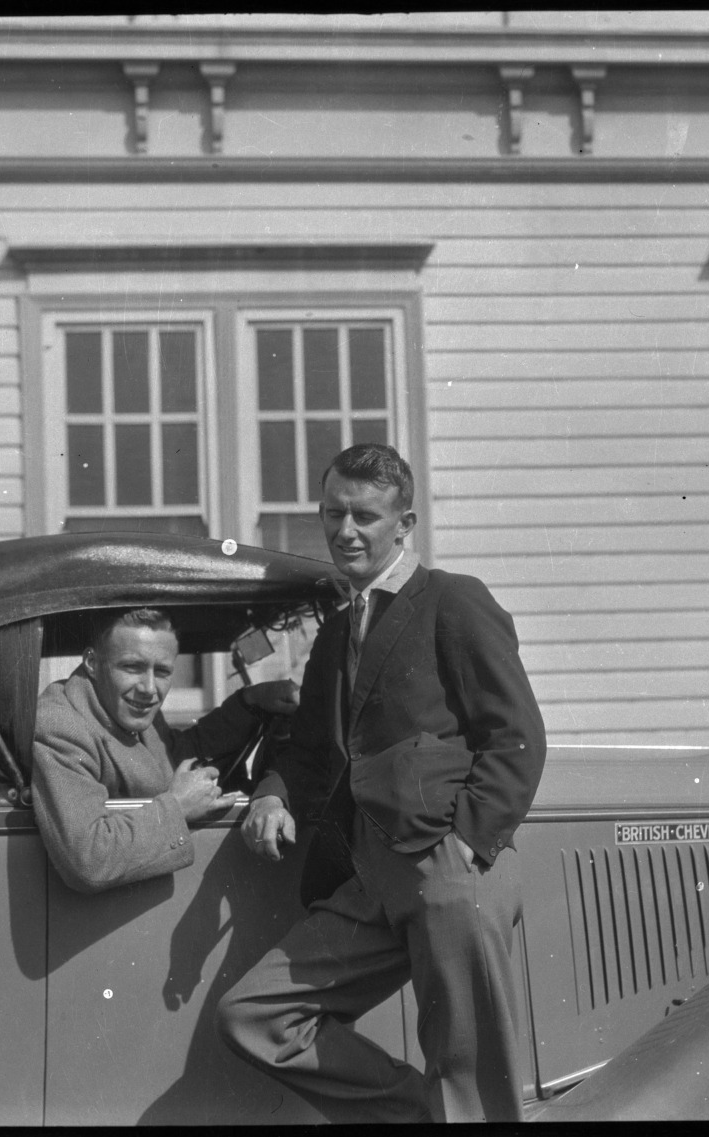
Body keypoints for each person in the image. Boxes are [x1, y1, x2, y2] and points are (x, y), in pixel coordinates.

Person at [216, 443, 546, 1124]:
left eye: (364, 515)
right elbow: (312, 754)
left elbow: (515, 734)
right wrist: (273, 791)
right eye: (333, 513)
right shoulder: (337, 631)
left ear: (405, 523)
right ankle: (420, 1115)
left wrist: (468, 846)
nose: (345, 530)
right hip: (370, 879)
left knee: (471, 1073)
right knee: (255, 1014)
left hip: (450, 867)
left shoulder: (452, 601)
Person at [30, 607, 298, 895]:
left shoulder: (124, 706)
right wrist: (178, 807)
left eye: (162, 671)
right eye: (132, 667)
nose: (149, 688)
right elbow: (88, 859)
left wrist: (250, 702)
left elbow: (172, 756)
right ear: (92, 663)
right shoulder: (60, 726)